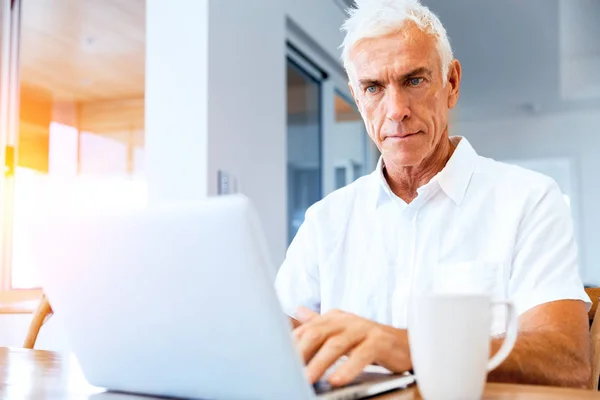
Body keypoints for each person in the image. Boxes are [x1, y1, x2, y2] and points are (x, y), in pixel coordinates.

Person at [275, 0, 592, 389]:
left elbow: (569, 360)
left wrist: (409, 349)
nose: (396, 111)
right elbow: (271, 340)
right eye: (373, 87)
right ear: (358, 99)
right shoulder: (325, 221)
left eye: (413, 80)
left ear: (451, 83)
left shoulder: (529, 200)